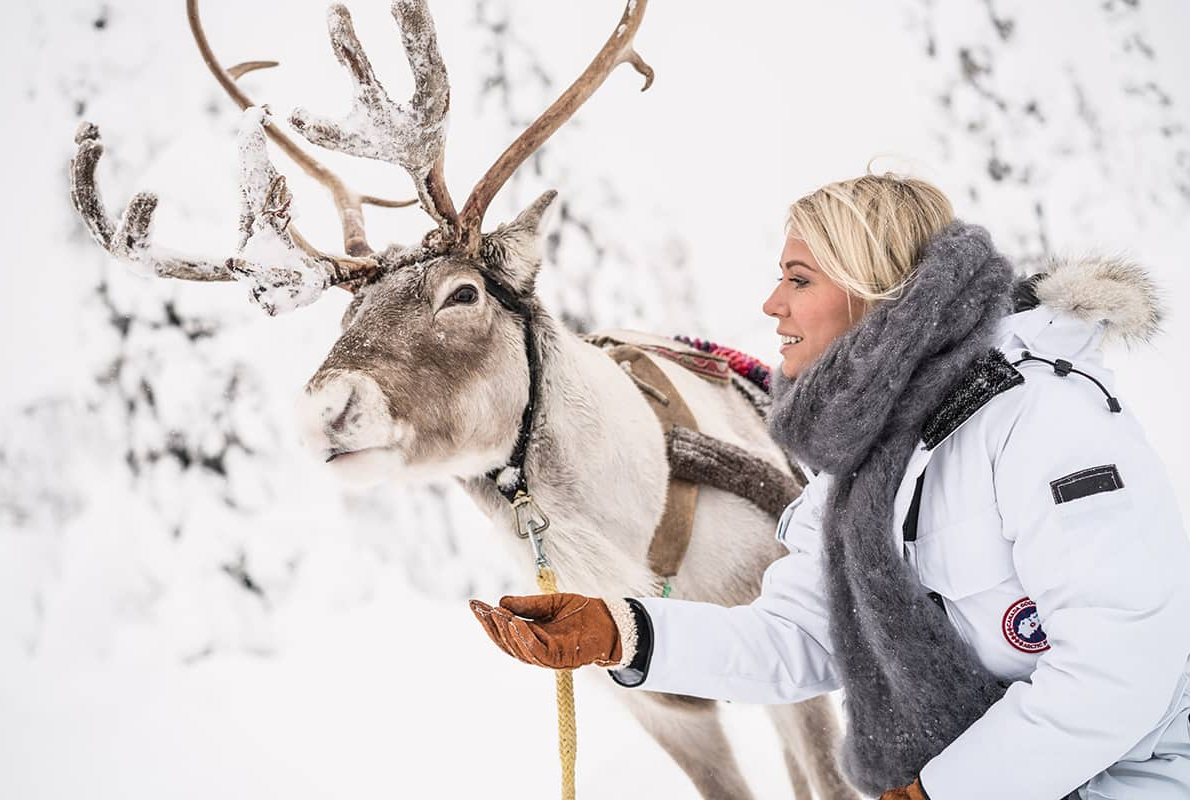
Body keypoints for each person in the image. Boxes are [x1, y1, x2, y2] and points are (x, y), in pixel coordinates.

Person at [469, 174, 1190, 800]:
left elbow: (1116, 674)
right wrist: (620, 632)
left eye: (800, 278)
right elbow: (796, 638)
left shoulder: (1042, 419)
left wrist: (943, 793)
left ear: (880, 293)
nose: (771, 304)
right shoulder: (863, 465)